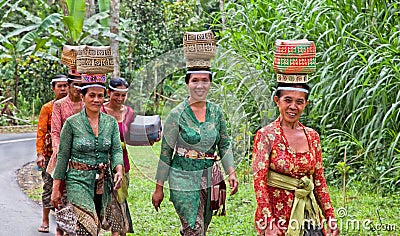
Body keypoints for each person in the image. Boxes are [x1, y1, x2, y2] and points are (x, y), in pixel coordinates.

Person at [152, 30, 238, 236]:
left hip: (209, 177)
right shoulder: (176, 114)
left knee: (202, 227)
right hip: (182, 176)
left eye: (204, 80)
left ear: (210, 83)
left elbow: (224, 145)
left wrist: (231, 172)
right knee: (194, 227)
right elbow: (166, 152)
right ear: (187, 83)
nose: (200, 85)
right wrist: (159, 188)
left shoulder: (216, 112)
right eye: (195, 81)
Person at [252, 39, 339, 236]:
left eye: (299, 102)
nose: (293, 107)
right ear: (277, 101)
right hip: (278, 216)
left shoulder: (312, 136)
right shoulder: (266, 135)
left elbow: (319, 180)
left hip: (308, 214)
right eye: (288, 100)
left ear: (306, 104)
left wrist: (330, 216)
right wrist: (268, 222)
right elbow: (259, 181)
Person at [51, 79, 124, 235]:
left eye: (100, 96)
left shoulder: (111, 123)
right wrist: (56, 188)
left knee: (104, 224)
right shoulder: (72, 123)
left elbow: (117, 150)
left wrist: (119, 170)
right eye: (92, 95)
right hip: (77, 180)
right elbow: (63, 157)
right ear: (83, 97)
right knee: (88, 224)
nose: (96, 100)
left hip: (103, 182)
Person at [101, 77, 134, 235]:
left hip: (123, 166)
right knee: (106, 205)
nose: (120, 99)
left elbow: (133, 138)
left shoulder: (129, 113)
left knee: (119, 203)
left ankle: (119, 231)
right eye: (117, 95)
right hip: (100, 167)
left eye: (123, 95)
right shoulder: (98, 110)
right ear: (109, 93)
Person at [36, 74, 68, 233]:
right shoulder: (47, 108)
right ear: (53, 89)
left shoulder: (74, 106)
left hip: (70, 155)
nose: (63, 89)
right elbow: (41, 132)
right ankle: (45, 219)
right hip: (50, 155)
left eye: (65, 86)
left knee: (67, 190)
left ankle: (63, 224)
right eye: (59, 86)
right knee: (49, 186)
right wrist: (40, 154)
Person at [47, 72, 84, 177]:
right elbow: (55, 132)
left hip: (84, 152)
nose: (78, 88)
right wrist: (58, 149)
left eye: (81, 85)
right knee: (57, 187)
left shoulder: (87, 104)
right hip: (64, 151)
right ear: (69, 85)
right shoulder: (59, 105)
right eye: (75, 85)